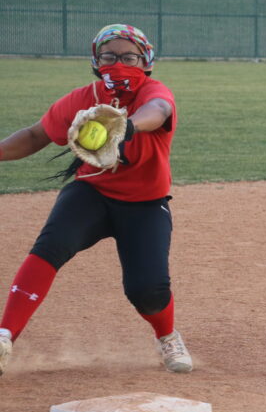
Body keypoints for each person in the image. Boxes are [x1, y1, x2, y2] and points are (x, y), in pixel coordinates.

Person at [0, 24, 193, 376]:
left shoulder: (154, 91)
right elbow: (34, 135)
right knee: (50, 247)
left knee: (147, 289)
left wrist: (127, 125)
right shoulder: (82, 98)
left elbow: (159, 111)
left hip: (145, 203)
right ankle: (4, 335)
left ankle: (167, 336)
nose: (118, 63)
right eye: (109, 56)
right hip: (91, 191)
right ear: (95, 60)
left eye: (128, 56)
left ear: (146, 62)